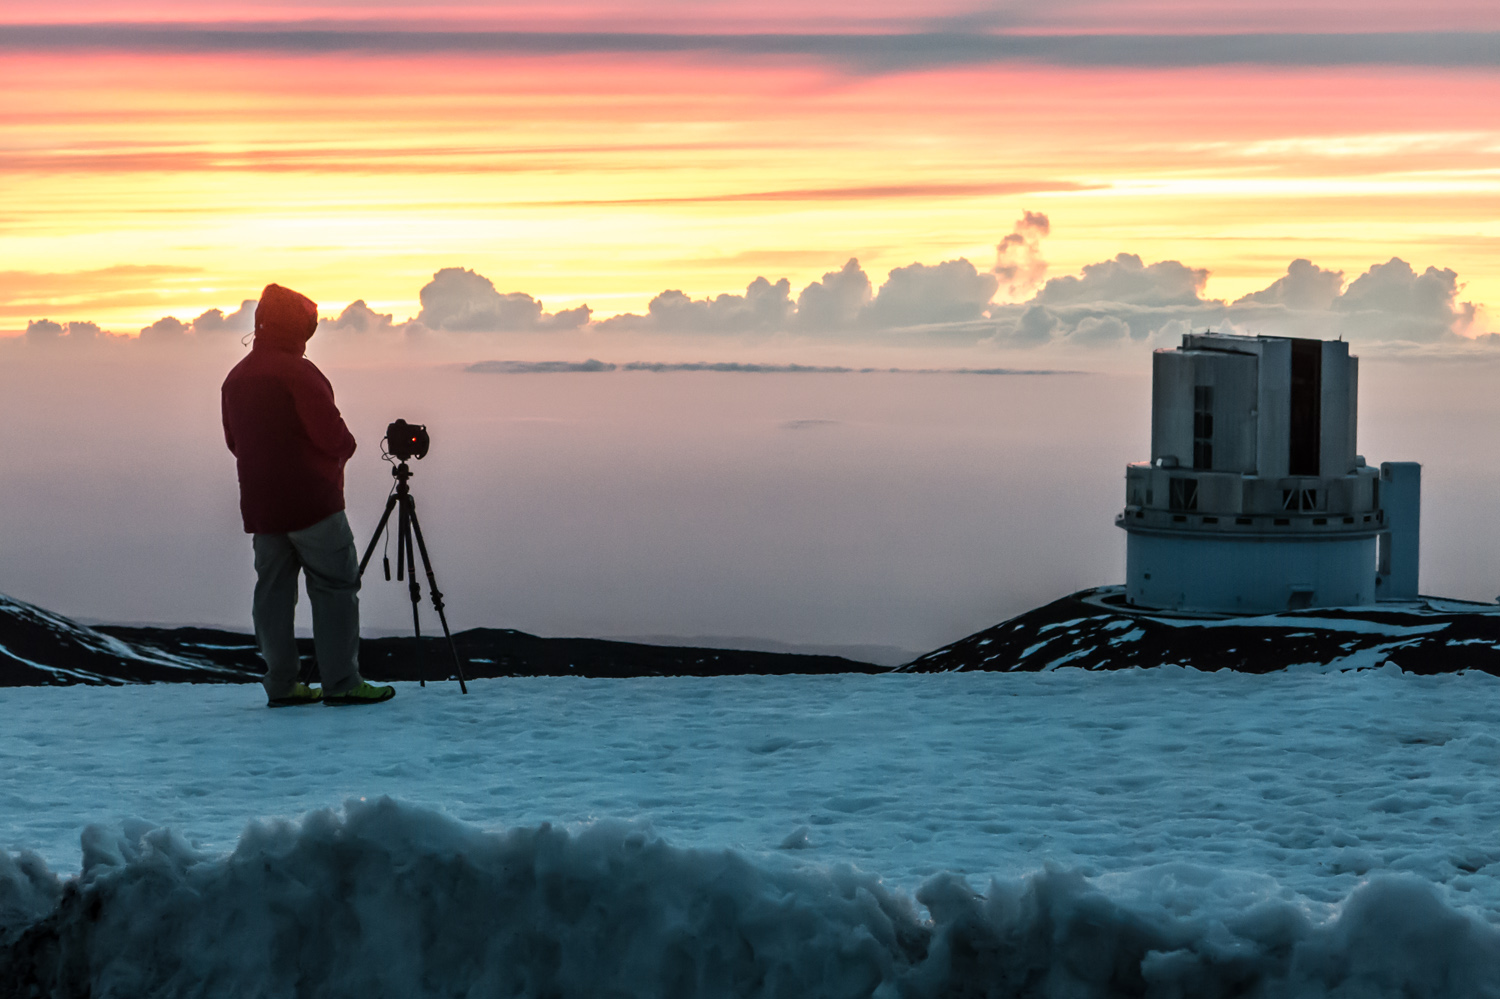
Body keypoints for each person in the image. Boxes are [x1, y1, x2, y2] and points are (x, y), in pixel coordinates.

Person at [222, 283, 395, 707]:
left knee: (273, 591)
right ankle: (342, 682)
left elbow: (234, 441)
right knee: (335, 586)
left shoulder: (237, 378)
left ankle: (281, 685)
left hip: (261, 505)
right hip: (313, 502)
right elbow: (331, 434)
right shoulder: (299, 373)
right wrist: (344, 450)